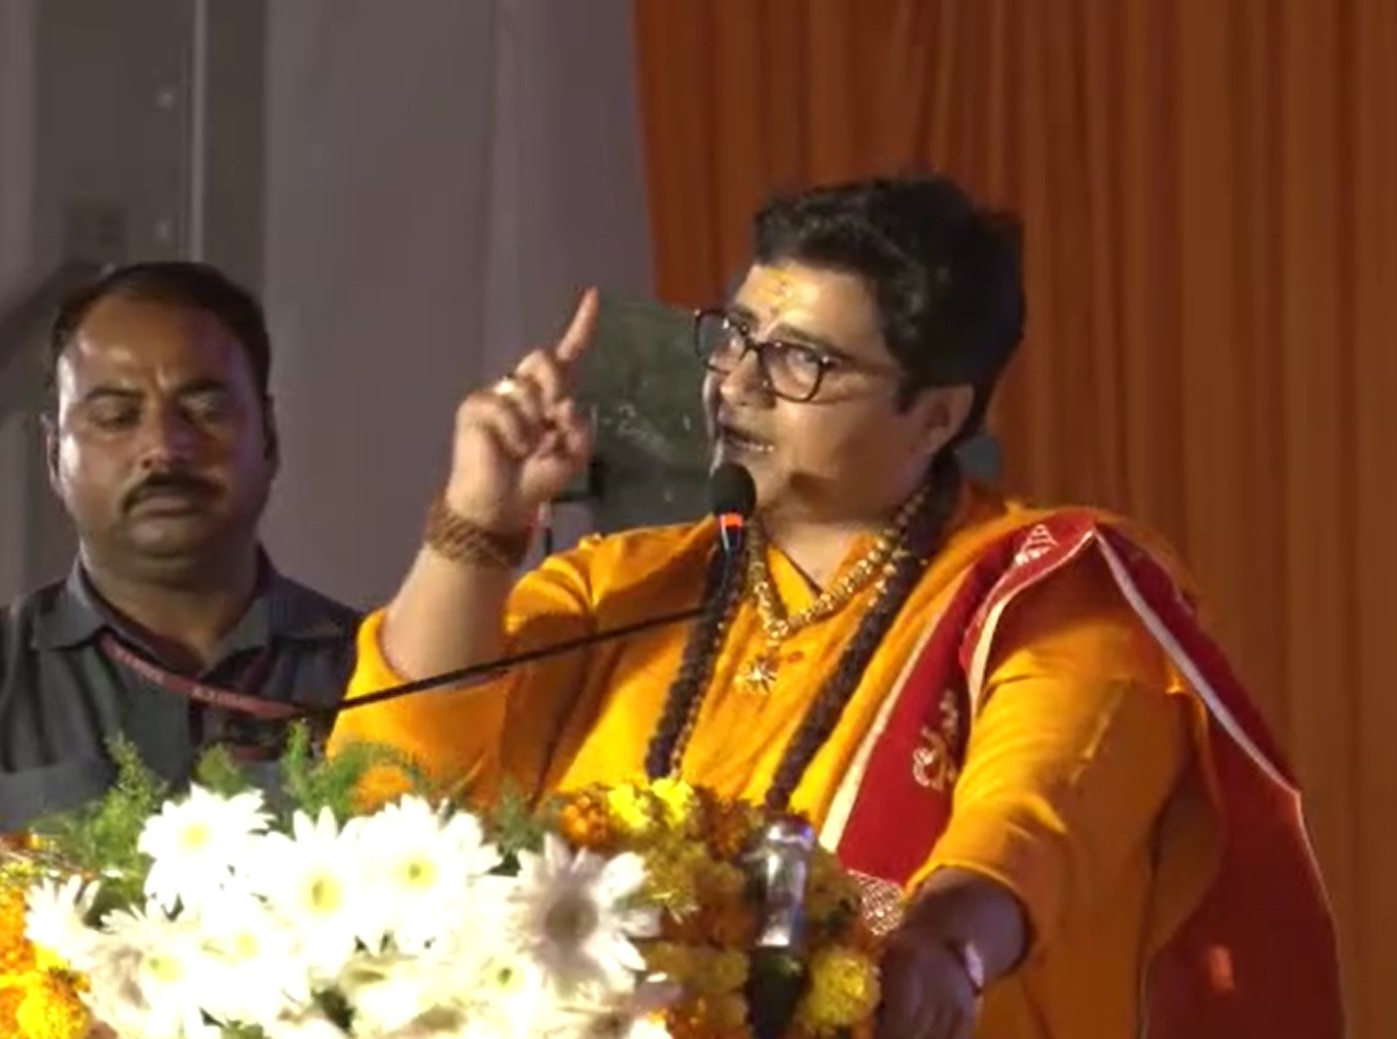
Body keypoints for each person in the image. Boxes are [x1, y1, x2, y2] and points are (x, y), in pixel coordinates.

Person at [329, 175, 1342, 1039]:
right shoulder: (621, 586)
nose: (737, 384)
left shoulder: (1046, 589)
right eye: (736, 335)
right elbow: (383, 798)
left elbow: (1040, 811)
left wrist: (943, 945)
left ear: (933, 416)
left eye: (801, 360)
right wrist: (475, 525)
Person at [0, 261, 362, 1038]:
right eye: (114, 415)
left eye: (205, 407)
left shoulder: (379, 672)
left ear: (268, 437)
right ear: (54, 454)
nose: (164, 446)